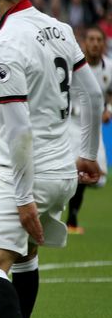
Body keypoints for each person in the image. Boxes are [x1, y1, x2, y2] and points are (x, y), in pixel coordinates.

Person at [0, 0, 103, 318]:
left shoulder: (3, 47)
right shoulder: (61, 30)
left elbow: (20, 129)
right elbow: (92, 95)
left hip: (27, 174)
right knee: (24, 256)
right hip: (63, 171)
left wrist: (23, 197)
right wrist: (88, 153)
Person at [66, 26, 112, 234]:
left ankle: (69, 213)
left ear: (103, 44)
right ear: (84, 43)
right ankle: (71, 220)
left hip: (93, 128)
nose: (94, 43)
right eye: (91, 39)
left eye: (98, 40)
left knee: (100, 179)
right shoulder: (72, 66)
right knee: (77, 171)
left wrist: (108, 109)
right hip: (72, 125)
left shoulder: (109, 68)